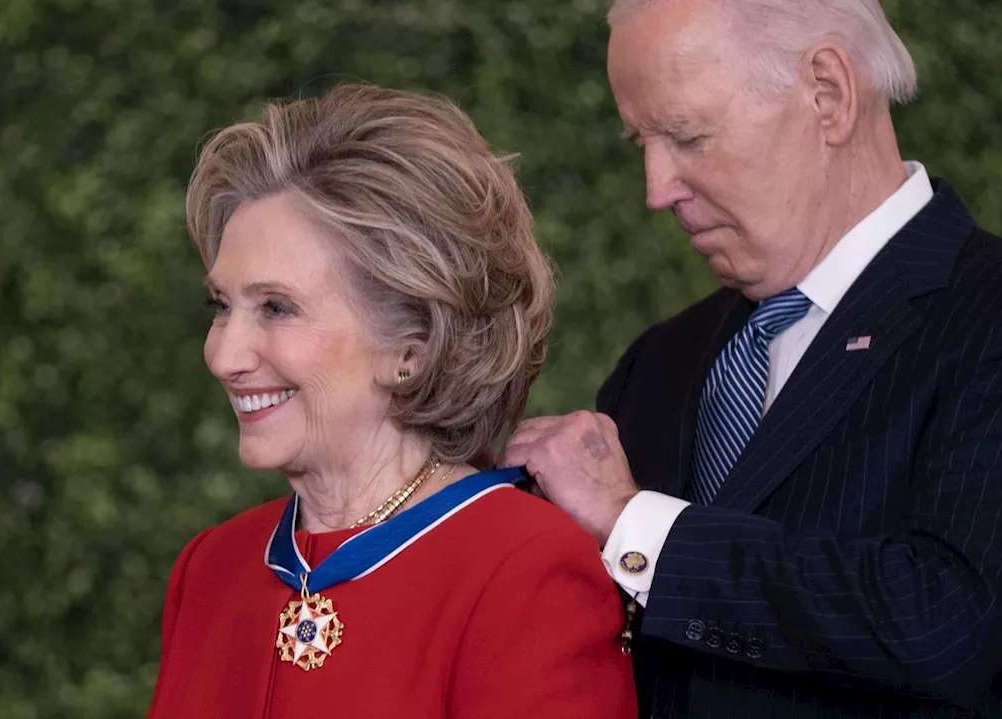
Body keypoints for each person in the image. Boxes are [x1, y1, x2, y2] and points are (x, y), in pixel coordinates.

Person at [502, 0, 1002, 719]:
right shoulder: (663, 359)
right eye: (642, 144)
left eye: (687, 135)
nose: (657, 189)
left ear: (827, 93)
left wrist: (634, 523)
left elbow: (940, 622)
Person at [146, 84, 636, 719]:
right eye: (222, 306)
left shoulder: (524, 568)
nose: (224, 354)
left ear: (414, 346)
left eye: (277, 307)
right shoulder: (211, 567)